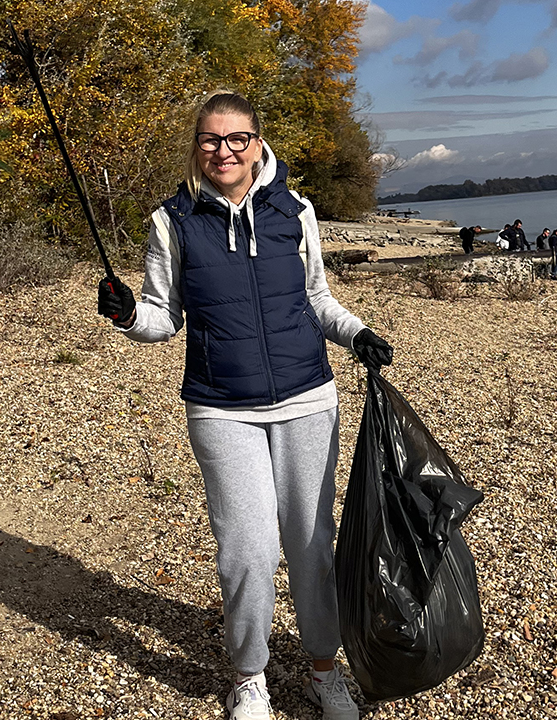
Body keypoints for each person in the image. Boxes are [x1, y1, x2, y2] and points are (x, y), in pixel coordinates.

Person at [97, 91, 388, 720]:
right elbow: (162, 316)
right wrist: (128, 314)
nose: (223, 151)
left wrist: (357, 333)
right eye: (210, 139)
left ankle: (324, 670)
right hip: (220, 407)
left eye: (236, 139)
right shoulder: (172, 220)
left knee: (312, 544)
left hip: (308, 398)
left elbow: (317, 299)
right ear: (196, 145)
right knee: (248, 549)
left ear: (257, 143)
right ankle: (249, 675)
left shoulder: (296, 210)